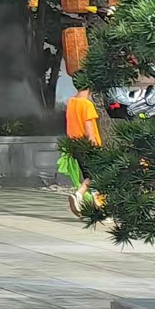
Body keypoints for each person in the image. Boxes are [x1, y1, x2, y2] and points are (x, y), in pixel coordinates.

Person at [62, 85, 104, 216]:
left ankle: (100, 209)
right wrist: (94, 146)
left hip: (74, 143)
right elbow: (89, 126)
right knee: (96, 176)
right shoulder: (87, 104)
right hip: (87, 145)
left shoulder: (71, 102)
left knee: (92, 177)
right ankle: (78, 195)